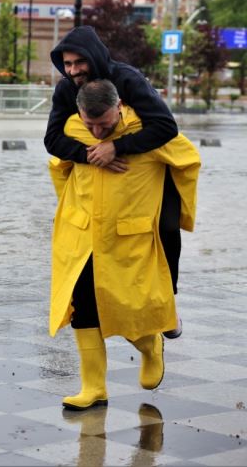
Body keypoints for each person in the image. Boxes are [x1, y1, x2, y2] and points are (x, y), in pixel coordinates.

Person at [48, 80, 200, 410]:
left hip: (130, 237)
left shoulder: (149, 132)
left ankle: (150, 347)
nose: (98, 132)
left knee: (129, 307)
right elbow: (59, 166)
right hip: (85, 237)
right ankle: (93, 387)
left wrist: (174, 216)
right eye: (91, 125)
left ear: (118, 108)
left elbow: (188, 162)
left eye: (104, 124)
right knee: (84, 305)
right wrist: (70, 209)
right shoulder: (74, 129)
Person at [45, 26, 185, 339]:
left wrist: (116, 147)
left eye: (78, 62)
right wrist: (89, 153)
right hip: (102, 182)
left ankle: (169, 303)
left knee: (165, 228)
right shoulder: (66, 89)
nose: (72, 70)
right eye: (67, 64)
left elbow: (165, 126)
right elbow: (52, 139)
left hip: (151, 174)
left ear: (94, 57)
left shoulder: (129, 79)